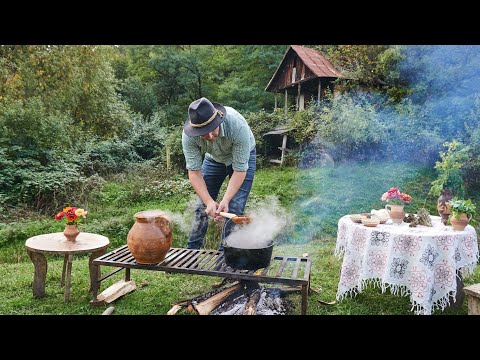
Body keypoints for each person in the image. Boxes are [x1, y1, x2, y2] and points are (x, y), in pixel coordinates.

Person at [182, 97, 256, 250]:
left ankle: (225, 258)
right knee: (201, 206)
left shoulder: (237, 126)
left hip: (242, 159)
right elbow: (194, 173)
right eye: (203, 134)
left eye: (212, 130)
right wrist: (209, 202)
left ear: (219, 120)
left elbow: (240, 170)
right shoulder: (188, 136)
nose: (209, 137)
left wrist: (226, 200)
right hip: (213, 159)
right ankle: (191, 252)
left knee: (234, 209)